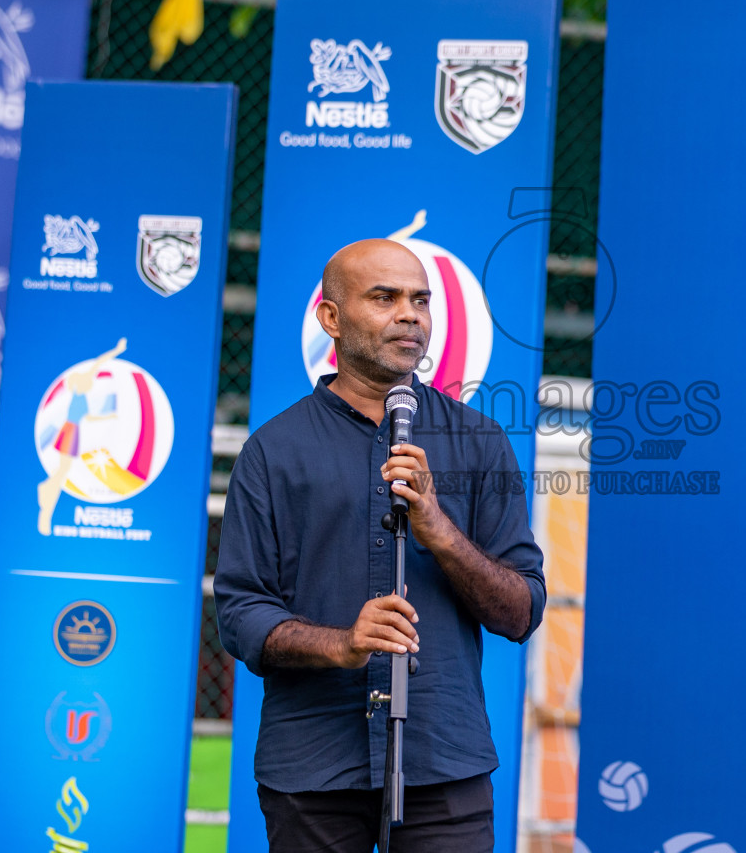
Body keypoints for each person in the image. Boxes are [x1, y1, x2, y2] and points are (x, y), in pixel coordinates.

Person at [215, 238, 545, 853]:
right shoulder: (273, 451)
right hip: (313, 767)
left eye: (421, 300)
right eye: (385, 297)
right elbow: (239, 614)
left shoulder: (479, 441)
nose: (411, 314)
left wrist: (439, 530)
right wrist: (342, 644)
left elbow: (521, 610)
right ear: (331, 318)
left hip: (443, 762)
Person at [36, 336, 127, 535]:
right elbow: (98, 363)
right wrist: (117, 351)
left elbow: (89, 418)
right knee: (61, 474)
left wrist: (108, 417)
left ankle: (47, 495)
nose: (91, 380)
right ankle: (46, 503)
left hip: (73, 433)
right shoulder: (78, 390)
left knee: (62, 472)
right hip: (69, 433)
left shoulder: (82, 398)